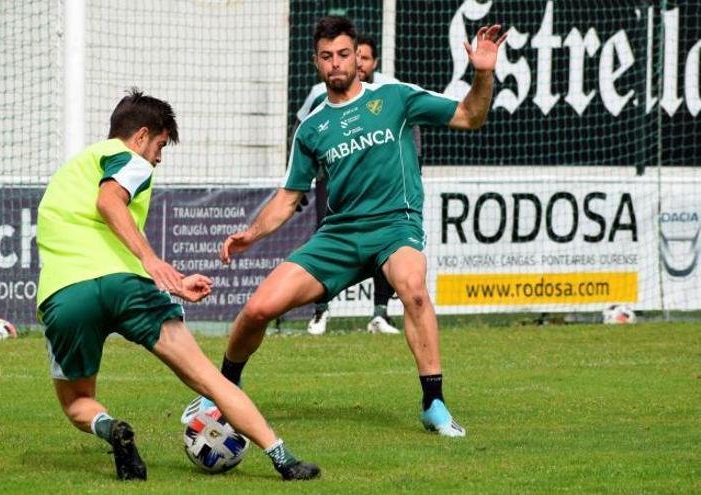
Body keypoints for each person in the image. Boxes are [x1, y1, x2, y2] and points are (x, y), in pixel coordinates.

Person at [183, 16, 505, 437]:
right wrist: (251, 234)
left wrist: (483, 73)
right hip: (338, 236)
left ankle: (434, 405)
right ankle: (224, 389)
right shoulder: (312, 128)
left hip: (395, 225)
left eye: (343, 54)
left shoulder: (395, 97)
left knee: (412, 287)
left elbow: (470, 116)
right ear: (316, 62)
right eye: (326, 56)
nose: (336, 63)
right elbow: (288, 197)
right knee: (258, 308)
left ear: (358, 58)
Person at [36, 88, 320, 481]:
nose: (159, 157)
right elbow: (109, 201)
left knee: (78, 402)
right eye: (160, 144)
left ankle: (110, 428)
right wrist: (151, 261)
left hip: (66, 295)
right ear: (141, 136)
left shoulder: (68, 173)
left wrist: (176, 284)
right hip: (127, 287)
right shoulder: (129, 159)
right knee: (209, 379)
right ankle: (284, 458)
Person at [297, 34, 416, 336]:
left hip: (382, 190)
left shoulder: (389, 90)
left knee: (387, 248)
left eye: (362, 57)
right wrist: (300, 181)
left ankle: (380, 313)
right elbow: (301, 132)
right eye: (353, 56)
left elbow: (410, 132)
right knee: (326, 243)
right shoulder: (318, 93)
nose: (357, 63)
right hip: (332, 183)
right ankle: (320, 314)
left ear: (372, 62)